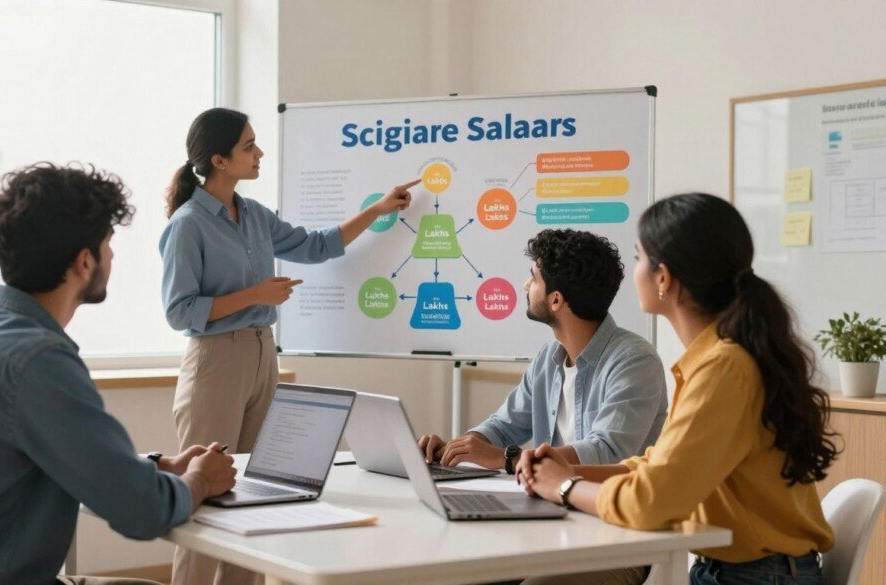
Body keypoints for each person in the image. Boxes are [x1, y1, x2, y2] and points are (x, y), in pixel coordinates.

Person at [0, 163, 238, 585]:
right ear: (84, 263)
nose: (112, 255)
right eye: (108, 243)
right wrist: (200, 480)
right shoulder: (37, 361)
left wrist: (159, 466)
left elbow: (53, 455)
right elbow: (144, 513)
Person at [519, 193, 838, 585]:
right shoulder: (718, 360)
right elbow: (659, 466)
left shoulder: (724, 368)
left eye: (639, 259)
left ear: (664, 278)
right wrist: (568, 471)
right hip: (751, 571)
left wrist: (564, 486)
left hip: (757, 577)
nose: (633, 273)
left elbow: (651, 502)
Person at [159, 107, 417, 585]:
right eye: (248, 146)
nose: (259, 153)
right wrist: (254, 295)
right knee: (201, 498)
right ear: (218, 160)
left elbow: (317, 246)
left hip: (263, 354)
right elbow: (180, 312)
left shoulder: (254, 214)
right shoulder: (188, 224)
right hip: (215, 360)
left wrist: (378, 210)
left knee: (256, 495)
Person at [419, 229, 667, 473]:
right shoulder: (548, 357)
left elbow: (607, 452)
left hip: (606, 507)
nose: (526, 285)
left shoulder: (634, 361)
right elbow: (504, 426)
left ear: (556, 300)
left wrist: (508, 459)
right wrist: (457, 448)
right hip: (554, 500)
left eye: (534, 278)